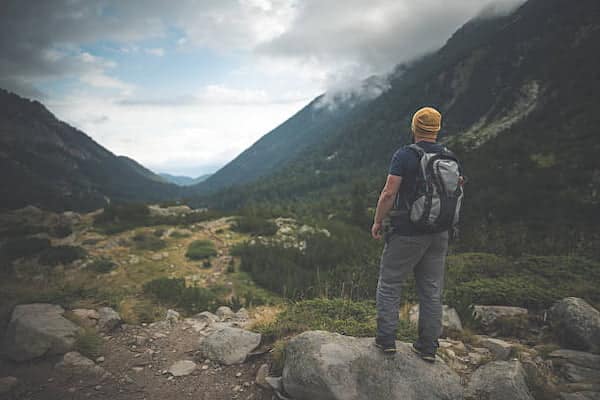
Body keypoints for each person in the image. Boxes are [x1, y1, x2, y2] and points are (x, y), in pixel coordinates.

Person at [371, 106, 460, 362]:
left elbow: (389, 193)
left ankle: (386, 340)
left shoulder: (405, 155)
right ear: (437, 129)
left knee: (390, 283)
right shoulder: (449, 157)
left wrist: (378, 221)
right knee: (431, 291)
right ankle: (428, 347)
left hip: (408, 232)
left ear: (414, 127)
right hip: (439, 233)